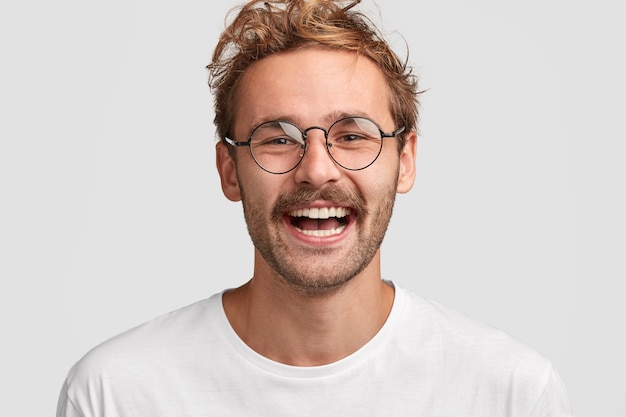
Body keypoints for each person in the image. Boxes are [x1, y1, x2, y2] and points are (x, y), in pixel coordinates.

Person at [56, 0, 572, 415]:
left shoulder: (513, 394)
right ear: (230, 170)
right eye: (277, 138)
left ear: (405, 160)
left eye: (352, 135)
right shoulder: (116, 394)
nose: (318, 169)